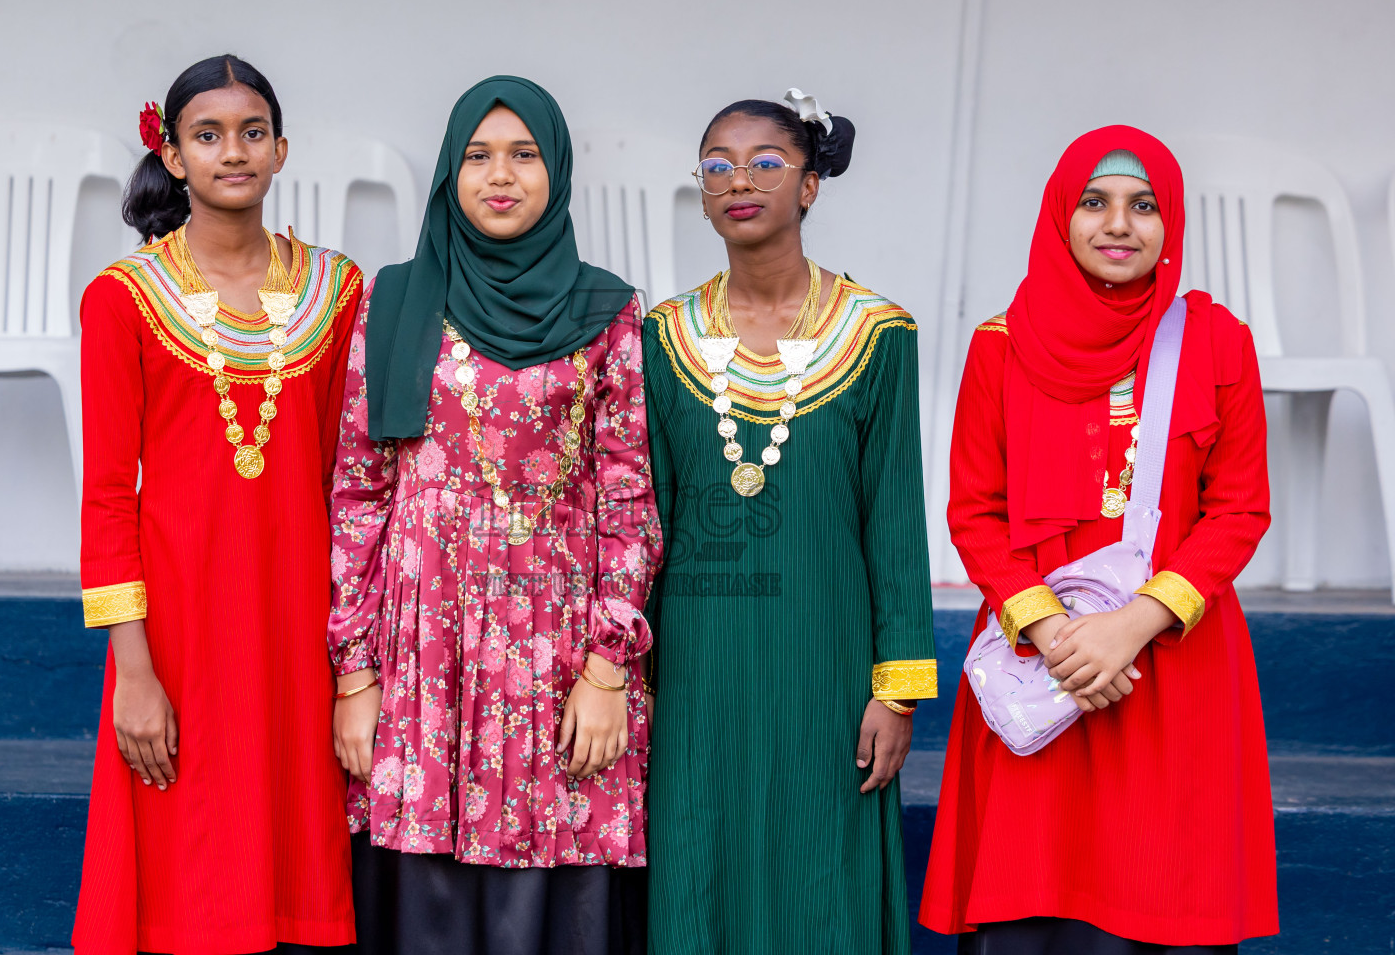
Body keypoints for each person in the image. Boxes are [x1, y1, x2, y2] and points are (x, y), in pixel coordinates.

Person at [920, 126, 1277, 953]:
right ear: (1060, 215)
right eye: (1095, 202)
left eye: (1143, 206)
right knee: (1033, 896)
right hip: (1040, 662)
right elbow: (975, 510)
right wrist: (1049, 629)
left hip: (1170, 664)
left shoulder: (1216, 342)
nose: (1119, 224)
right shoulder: (1000, 347)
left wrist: (1134, 624)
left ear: (1171, 222)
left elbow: (1239, 510)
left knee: (1160, 886)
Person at [327, 75, 661, 955]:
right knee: (421, 876)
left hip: (555, 639)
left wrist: (608, 669)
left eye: (524, 155)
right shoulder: (397, 301)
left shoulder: (606, 311)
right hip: (423, 646)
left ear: (557, 171)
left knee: (557, 848)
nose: (499, 176)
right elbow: (359, 495)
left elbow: (629, 496)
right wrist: (354, 676)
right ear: (448, 172)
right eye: (477, 156)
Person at [74, 54, 361, 954]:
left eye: (251, 133)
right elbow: (108, 495)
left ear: (282, 151)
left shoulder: (338, 289)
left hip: (300, 610)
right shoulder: (122, 300)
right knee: (189, 855)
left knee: (297, 844)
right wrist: (134, 673)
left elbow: (350, 476)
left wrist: (359, 654)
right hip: (182, 625)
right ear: (172, 150)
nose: (231, 152)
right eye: (207, 135)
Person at [642, 91, 937, 955]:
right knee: (700, 863)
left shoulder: (878, 333)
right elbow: (647, 516)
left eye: (766, 163)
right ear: (700, 192)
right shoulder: (663, 337)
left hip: (830, 664)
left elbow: (895, 519)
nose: (740, 181)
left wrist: (897, 688)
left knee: (822, 878)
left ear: (810, 185)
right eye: (718, 167)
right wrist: (638, 673)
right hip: (697, 668)